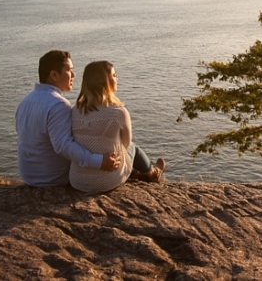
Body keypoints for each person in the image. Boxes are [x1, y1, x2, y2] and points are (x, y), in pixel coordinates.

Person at [16, 50, 121, 186]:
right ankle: (145, 171)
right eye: (69, 70)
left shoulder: (26, 100)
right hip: (53, 178)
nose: (73, 75)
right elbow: (63, 145)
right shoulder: (57, 105)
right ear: (54, 75)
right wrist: (99, 161)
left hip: (29, 176)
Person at [69, 60, 166, 192]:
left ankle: (139, 174)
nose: (117, 78)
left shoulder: (74, 110)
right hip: (107, 181)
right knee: (133, 148)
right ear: (105, 81)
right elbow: (125, 144)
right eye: (114, 75)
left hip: (78, 181)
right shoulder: (118, 112)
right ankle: (152, 173)